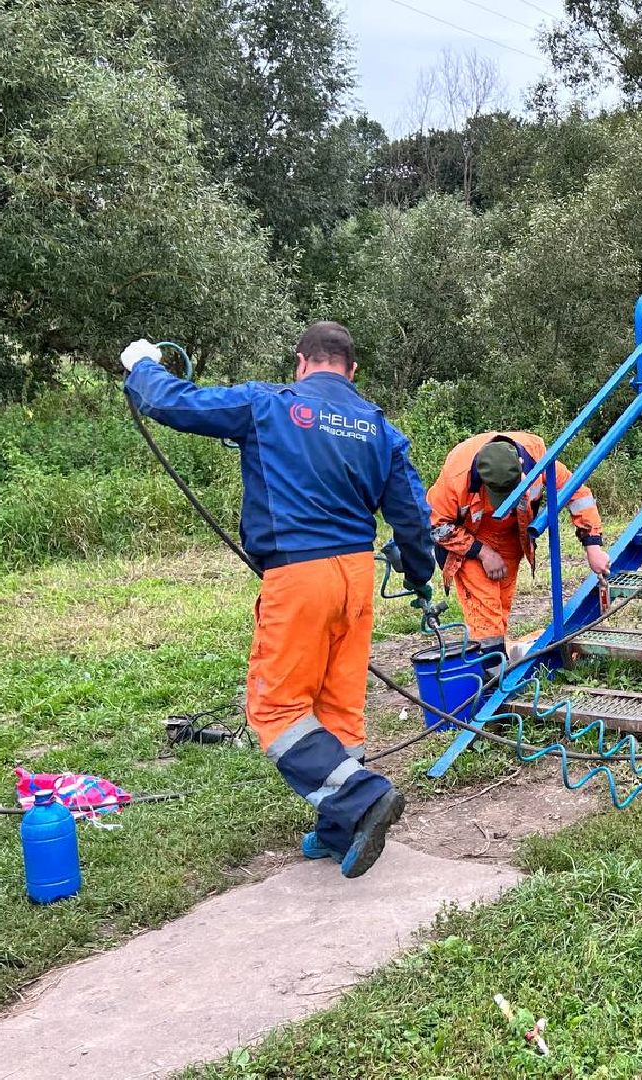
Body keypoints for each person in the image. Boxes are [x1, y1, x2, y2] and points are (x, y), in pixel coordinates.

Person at [120, 322, 437, 878]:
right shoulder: (378, 427)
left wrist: (143, 365)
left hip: (299, 574)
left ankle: (361, 799)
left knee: (276, 709)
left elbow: (178, 403)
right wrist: (418, 572)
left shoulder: (267, 404)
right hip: (357, 576)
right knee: (338, 708)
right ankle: (341, 831)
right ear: (351, 370)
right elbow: (411, 514)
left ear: (300, 363)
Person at [427, 432, 610, 654]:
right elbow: (436, 525)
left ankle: (496, 660)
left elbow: (578, 493)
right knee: (485, 611)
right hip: (468, 541)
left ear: (522, 467)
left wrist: (593, 545)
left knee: (500, 607)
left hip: (511, 535)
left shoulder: (539, 459)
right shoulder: (456, 475)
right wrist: (482, 552)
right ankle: (492, 675)